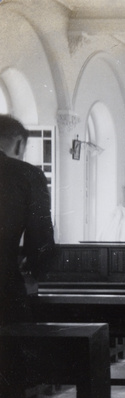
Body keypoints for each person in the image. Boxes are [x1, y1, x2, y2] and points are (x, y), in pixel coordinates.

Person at [0, 114, 55, 326]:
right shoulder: (27, 175)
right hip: (4, 284)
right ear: (19, 143)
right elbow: (41, 240)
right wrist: (34, 268)